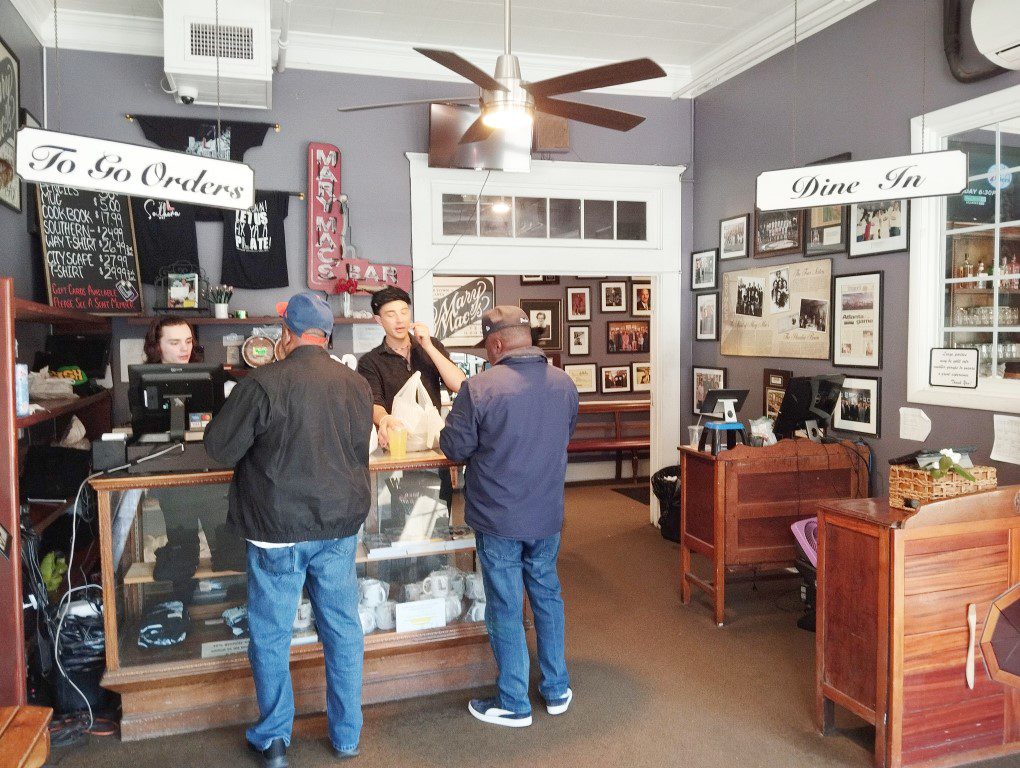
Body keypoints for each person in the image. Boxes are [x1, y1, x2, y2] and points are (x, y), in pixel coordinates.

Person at [205, 293, 374, 767]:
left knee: (272, 632)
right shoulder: (357, 385)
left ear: (286, 336)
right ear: (326, 336)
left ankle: (275, 739)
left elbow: (220, 448)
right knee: (343, 628)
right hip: (339, 526)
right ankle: (346, 737)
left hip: (276, 529)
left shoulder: (262, 383)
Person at [440, 306, 579, 728]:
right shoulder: (564, 382)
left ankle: (514, 700)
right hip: (547, 512)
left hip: (498, 516)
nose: (486, 353)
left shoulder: (478, 387)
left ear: (497, 343)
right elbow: (565, 434)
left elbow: (454, 448)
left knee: (504, 604)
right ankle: (556, 689)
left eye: (486, 346)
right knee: (546, 595)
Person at [356, 286, 465, 449]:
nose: (399, 320)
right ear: (379, 320)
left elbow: (461, 385)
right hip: (397, 444)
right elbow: (374, 402)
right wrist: (385, 419)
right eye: (391, 315)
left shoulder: (431, 345)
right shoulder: (370, 362)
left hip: (434, 444)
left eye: (404, 312)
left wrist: (428, 346)